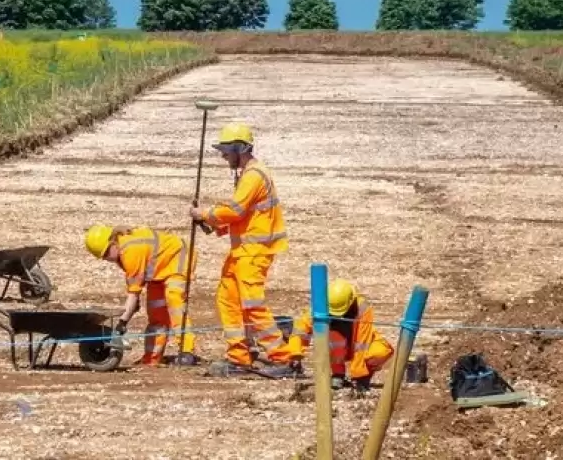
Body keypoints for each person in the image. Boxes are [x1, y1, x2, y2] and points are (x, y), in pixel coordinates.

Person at [190, 123, 293, 379]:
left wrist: (204, 214)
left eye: (226, 150)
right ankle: (239, 355)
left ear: (240, 148)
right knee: (228, 299)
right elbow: (243, 215)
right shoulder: (247, 174)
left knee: (252, 305)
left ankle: (284, 358)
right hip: (242, 251)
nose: (223, 155)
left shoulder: (254, 175)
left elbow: (235, 210)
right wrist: (217, 226)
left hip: (253, 252)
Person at [84, 224, 198, 367]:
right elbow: (136, 289)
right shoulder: (122, 251)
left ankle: (186, 352)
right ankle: (151, 359)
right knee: (156, 312)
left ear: (113, 242)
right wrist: (130, 310)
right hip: (158, 271)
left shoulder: (130, 252)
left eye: (107, 253)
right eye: (103, 257)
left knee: (174, 301)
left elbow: (133, 294)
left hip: (178, 257)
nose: (107, 258)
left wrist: (121, 324)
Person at [287, 279, 395, 389]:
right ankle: (338, 374)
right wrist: (295, 353)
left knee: (379, 352)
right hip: (338, 346)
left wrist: (359, 375)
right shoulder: (321, 306)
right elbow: (301, 329)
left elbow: (361, 343)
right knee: (335, 337)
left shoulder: (362, 307)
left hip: (361, 344)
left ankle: (363, 376)